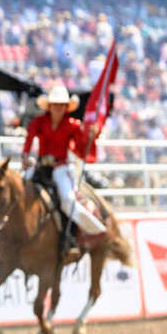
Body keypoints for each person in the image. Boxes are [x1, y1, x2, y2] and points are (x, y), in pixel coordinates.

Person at [22, 84, 106, 238]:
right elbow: (29, 139)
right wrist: (25, 156)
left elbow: (81, 149)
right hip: (40, 166)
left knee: (67, 199)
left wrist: (90, 137)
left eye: (62, 104)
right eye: (55, 104)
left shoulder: (73, 125)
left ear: (66, 106)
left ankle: (88, 231)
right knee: (20, 189)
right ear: (49, 105)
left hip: (61, 167)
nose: (58, 108)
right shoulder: (39, 122)